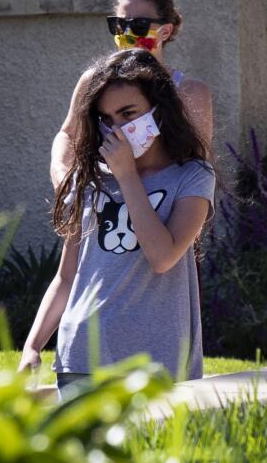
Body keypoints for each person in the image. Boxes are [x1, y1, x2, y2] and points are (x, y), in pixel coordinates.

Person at [20, 49, 216, 398]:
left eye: (129, 114)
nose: (118, 129)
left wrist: (127, 176)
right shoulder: (91, 180)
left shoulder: (192, 177)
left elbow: (163, 256)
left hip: (156, 363)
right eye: (107, 119)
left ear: (159, 109)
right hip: (80, 357)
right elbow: (67, 276)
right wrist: (33, 345)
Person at [50, 0, 213, 190]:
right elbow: (68, 135)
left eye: (139, 26)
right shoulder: (94, 81)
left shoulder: (189, 90)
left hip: (163, 207)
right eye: (119, 25)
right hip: (105, 207)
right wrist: (63, 181)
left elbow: (197, 164)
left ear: (165, 31)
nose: (126, 34)